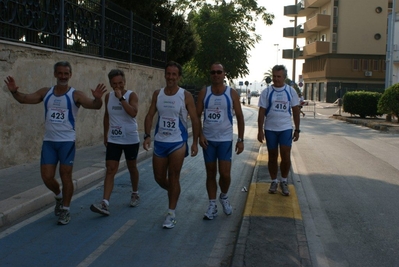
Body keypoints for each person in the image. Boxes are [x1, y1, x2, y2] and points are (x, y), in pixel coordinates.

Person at [4, 61, 107, 225]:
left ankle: (65, 210)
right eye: (60, 73)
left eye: (66, 73)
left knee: (66, 175)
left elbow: (94, 106)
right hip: (49, 142)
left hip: (66, 142)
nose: (63, 76)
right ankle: (59, 196)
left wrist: (97, 99)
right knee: (46, 177)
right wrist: (14, 92)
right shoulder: (46, 93)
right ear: (55, 74)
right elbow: (24, 99)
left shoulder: (75, 95)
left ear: (70, 75)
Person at [143, 61, 200, 229]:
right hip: (160, 142)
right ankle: (175, 191)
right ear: (165, 75)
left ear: (179, 77)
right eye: (168, 74)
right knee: (159, 178)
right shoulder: (157, 94)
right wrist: (147, 136)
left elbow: (195, 119)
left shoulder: (185, 95)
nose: (171, 77)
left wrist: (195, 142)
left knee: (174, 176)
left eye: (174, 74)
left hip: (177, 142)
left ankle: (171, 213)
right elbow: (149, 115)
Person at [196, 62, 245, 220]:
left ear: (224, 74)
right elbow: (196, 116)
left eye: (219, 72)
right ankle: (212, 205)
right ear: (210, 74)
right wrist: (200, 136)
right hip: (208, 141)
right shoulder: (205, 92)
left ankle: (223, 196)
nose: (216, 75)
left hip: (225, 140)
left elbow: (240, 116)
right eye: (213, 72)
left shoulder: (231, 93)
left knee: (225, 174)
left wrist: (241, 139)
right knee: (210, 173)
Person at [90, 69, 140, 216]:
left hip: (130, 138)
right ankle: (105, 203)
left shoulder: (132, 95)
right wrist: (105, 134)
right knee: (110, 169)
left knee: (132, 167)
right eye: (114, 84)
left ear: (124, 82)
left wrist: (121, 99)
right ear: (110, 84)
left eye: (120, 83)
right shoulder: (108, 97)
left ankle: (135, 192)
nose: (117, 86)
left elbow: (133, 112)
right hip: (114, 139)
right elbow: (106, 116)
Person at [257, 65, 300, 196]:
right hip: (270, 128)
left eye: (279, 77)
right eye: (274, 76)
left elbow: (296, 111)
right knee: (272, 156)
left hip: (285, 128)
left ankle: (284, 181)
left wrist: (297, 129)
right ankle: (274, 181)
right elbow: (261, 112)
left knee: (286, 155)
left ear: (284, 77)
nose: (276, 79)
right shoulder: (267, 92)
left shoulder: (290, 91)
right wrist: (260, 130)